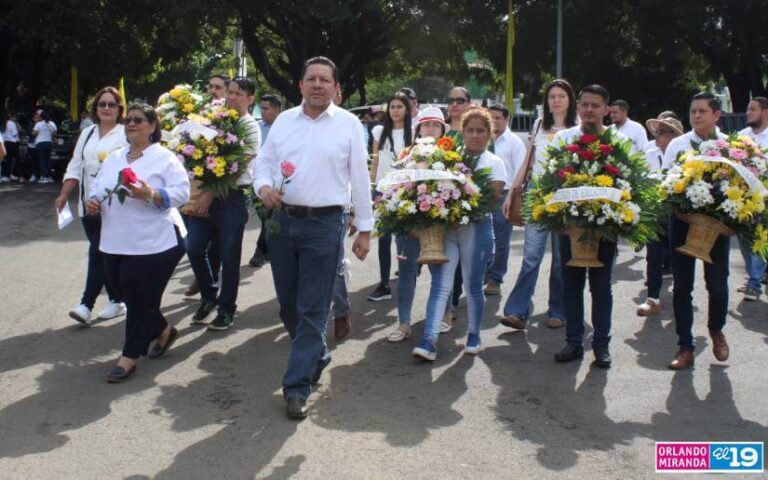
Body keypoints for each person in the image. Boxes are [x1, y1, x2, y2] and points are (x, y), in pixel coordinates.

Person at [254, 56, 373, 419]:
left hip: (325, 225)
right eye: (311, 79)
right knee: (288, 306)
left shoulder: (349, 124)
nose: (317, 84)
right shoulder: (284, 121)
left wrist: (365, 228)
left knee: (312, 308)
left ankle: (296, 387)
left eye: (324, 80)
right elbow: (264, 163)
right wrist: (263, 187)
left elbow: (360, 176)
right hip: (283, 222)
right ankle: (317, 354)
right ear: (300, 85)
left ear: (336, 87)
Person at [85, 103, 189, 382]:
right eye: (128, 120)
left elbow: (181, 194)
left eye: (138, 120)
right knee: (127, 294)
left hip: (153, 243)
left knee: (138, 296)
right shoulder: (114, 157)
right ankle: (164, 331)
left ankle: (129, 357)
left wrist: (151, 194)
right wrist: (93, 201)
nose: (131, 124)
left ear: (152, 126)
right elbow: (97, 186)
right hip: (113, 240)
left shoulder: (164, 158)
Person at [411, 108, 506, 361]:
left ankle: (473, 334)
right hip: (447, 229)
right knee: (440, 285)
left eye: (481, 131)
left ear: (489, 133)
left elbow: (490, 200)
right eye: (470, 130)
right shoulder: (450, 158)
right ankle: (429, 340)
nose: (475, 135)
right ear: (462, 132)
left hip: (476, 229)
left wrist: (458, 208)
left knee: (472, 286)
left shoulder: (495, 163)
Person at [552, 84, 628, 369]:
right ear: (578, 106)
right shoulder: (564, 138)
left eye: (595, 106)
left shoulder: (618, 141)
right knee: (571, 286)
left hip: (604, 228)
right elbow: (550, 179)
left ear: (606, 109)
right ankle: (574, 342)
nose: (589, 110)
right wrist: (556, 218)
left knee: (601, 288)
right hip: (570, 227)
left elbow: (629, 181)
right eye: (584, 104)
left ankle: (601, 345)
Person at [500, 79, 578, 330]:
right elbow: (527, 162)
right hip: (536, 193)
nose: (556, 100)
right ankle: (517, 311)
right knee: (531, 256)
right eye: (552, 96)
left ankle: (558, 311)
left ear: (570, 100)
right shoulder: (538, 124)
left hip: (564, 196)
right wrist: (512, 193)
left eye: (561, 96)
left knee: (560, 259)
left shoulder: (578, 127)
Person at [187, 76, 261, 331]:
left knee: (230, 257)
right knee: (194, 248)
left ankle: (226, 309)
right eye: (231, 92)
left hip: (232, 198)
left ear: (250, 99)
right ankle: (209, 295)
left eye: (239, 93)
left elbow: (239, 164)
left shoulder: (249, 126)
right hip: (205, 193)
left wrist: (209, 193)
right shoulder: (215, 118)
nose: (233, 97)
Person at [663, 92, 729, 370]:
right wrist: (679, 209)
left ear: (716, 115)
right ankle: (685, 346)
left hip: (717, 227)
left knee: (717, 285)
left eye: (703, 111)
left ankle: (716, 329)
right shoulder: (678, 144)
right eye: (693, 111)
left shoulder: (730, 146)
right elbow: (664, 182)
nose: (697, 115)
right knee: (682, 287)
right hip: (682, 223)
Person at [55, 86, 129, 325]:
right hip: (87, 205)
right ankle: (117, 300)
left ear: (119, 109)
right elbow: (76, 166)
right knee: (104, 254)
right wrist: (64, 194)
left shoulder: (125, 134)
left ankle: (86, 304)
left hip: (113, 206)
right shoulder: (87, 133)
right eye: (102, 104)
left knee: (97, 251)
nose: (106, 108)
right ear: (95, 108)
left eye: (111, 104)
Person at [386, 107, 447, 342]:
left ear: (442, 130)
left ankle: (444, 316)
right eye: (426, 124)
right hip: (408, 224)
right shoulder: (406, 155)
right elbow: (393, 186)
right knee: (406, 273)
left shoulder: (450, 154)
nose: (430, 129)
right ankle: (404, 323)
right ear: (418, 129)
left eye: (435, 125)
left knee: (440, 271)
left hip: (439, 225)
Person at [367, 91, 413, 301]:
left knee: (404, 238)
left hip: (405, 190)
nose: (395, 110)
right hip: (382, 190)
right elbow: (375, 161)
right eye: (392, 106)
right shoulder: (379, 131)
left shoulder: (413, 133)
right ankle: (384, 283)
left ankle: (407, 278)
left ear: (407, 109)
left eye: (399, 106)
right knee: (383, 238)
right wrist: (372, 187)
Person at [636, 115, 683, 316]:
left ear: (674, 136)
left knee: (680, 258)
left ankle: (682, 299)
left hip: (679, 214)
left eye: (662, 132)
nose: (657, 136)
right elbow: (640, 178)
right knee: (653, 257)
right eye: (657, 132)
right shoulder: (648, 153)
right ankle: (652, 299)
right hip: (655, 213)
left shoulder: (685, 155)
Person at [484, 103, 526, 295]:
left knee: (501, 240)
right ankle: (485, 271)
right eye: (490, 117)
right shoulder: (481, 138)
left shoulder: (514, 142)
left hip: (504, 196)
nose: (494, 121)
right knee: (482, 238)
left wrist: (512, 197)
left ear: (507, 119)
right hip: (482, 195)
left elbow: (521, 171)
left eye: (498, 118)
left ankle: (495, 278)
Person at [736, 97, 768, 302]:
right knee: (745, 238)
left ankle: (754, 282)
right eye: (748, 109)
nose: (748, 113)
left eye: (752, 109)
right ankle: (754, 275)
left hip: (766, 196)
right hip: (744, 196)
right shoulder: (742, 136)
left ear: (765, 112)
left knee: (761, 237)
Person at [248, 93, 283, 269]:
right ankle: (267, 250)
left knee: (267, 217)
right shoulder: (257, 128)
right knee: (264, 216)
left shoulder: (285, 128)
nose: (262, 111)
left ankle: (260, 252)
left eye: (266, 108)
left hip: (278, 181)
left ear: (277, 110)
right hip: (257, 180)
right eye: (261, 108)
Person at [33, 109, 57, 184]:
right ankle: (49, 176)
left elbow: (34, 133)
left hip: (40, 143)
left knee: (42, 160)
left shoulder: (39, 124)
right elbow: (54, 133)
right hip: (49, 143)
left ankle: (44, 176)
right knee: (48, 160)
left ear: (41, 117)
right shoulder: (52, 124)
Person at [1, 113, 19, 182]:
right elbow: (15, 134)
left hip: (7, 143)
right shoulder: (12, 123)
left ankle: (6, 175)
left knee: (8, 160)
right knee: (17, 159)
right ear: (13, 117)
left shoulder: (6, 123)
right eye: (15, 117)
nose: (16, 119)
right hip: (13, 143)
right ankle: (14, 174)